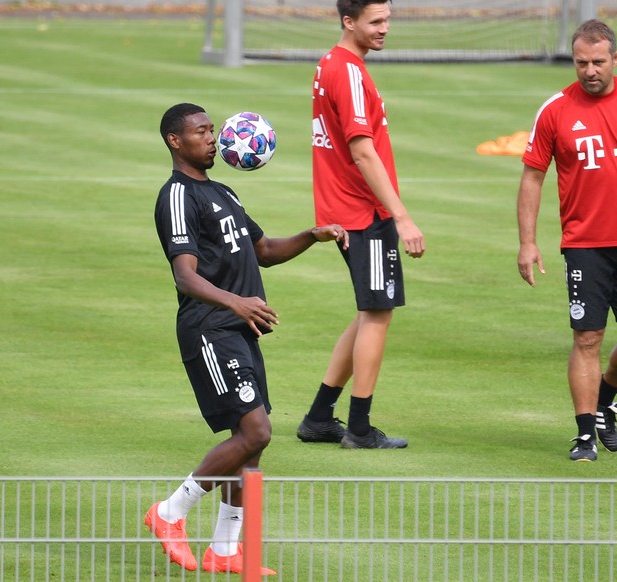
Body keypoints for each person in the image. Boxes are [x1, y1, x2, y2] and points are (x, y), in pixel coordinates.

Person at [146, 103, 348, 573]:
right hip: (209, 329)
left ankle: (225, 548)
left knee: (251, 440)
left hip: (239, 331)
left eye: (213, 130)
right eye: (201, 132)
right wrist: (235, 302)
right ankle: (169, 513)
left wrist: (310, 235)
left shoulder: (223, 191)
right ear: (176, 142)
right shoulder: (177, 196)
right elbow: (185, 276)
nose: (212, 138)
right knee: (256, 431)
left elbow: (264, 252)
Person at [516, 20, 617, 462]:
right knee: (588, 338)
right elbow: (533, 177)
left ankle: (606, 397)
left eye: (597, 62)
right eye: (580, 63)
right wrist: (527, 242)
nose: (589, 71)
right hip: (584, 245)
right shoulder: (555, 109)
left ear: (615, 59)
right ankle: (584, 434)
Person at [295, 0, 426, 449]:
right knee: (377, 312)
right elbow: (362, 150)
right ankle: (360, 428)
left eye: (388, 19)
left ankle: (318, 416)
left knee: (371, 309)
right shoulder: (347, 71)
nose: (385, 28)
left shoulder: (332, 64)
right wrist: (402, 216)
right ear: (348, 21)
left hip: (346, 208)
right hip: (361, 211)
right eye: (376, 21)